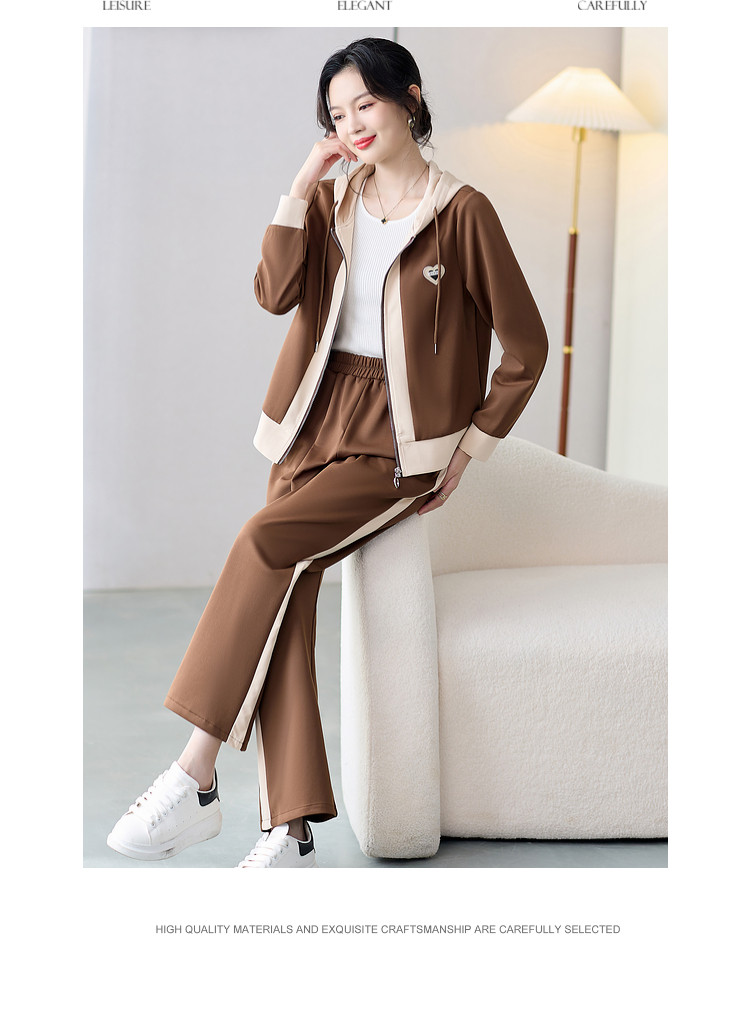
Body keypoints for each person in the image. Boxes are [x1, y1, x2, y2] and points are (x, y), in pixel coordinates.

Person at [106, 36, 549, 869]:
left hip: (398, 440)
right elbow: (274, 293)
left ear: (410, 98)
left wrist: (470, 447)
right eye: (336, 115)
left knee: (261, 544)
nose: (351, 126)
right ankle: (289, 829)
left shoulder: (463, 212)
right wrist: (303, 181)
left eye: (365, 105)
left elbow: (527, 345)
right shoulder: (333, 195)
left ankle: (194, 774)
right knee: (289, 587)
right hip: (311, 419)